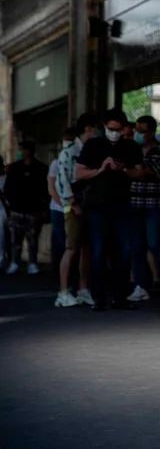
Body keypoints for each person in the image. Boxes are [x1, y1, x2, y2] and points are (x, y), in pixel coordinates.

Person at [75, 109, 143, 310]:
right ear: (104, 127)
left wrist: (123, 170)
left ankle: (120, 297)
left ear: (123, 129)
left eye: (118, 130)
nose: (114, 133)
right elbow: (78, 173)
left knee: (124, 251)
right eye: (110, 129)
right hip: (97, 206)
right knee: (98, 251)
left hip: (122, 205)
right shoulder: (93, 145)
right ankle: (99, 298)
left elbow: (140, 172)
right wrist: (100, 169)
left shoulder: (130, 146)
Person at [127, 115, 160, 302]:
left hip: (155, 204)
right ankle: (140, 285)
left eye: (143, 131)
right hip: (135, 204)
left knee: (155, 243)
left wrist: (148, 172)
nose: (139, 135)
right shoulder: (132, 150)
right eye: (137, 131)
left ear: (152, 132)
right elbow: (128, 173)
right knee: (137, 246)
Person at [54, 114, 98, 307]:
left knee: (85, 248)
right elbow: (62, 180)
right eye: (95, 128)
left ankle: (83, 289)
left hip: (88, 203)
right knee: (71, 248)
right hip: (73, 205)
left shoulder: (91, 150)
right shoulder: (69, 152)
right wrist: (73, 203)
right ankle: (63, 292)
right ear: (88, 129)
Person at [4, 140, 49, 275]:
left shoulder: (41, 168)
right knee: (15, 239)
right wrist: (11, 203)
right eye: (21, 149)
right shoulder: (14, 168)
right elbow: (8, 188)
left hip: (33, 210)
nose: (22, 152)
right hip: (17, 209)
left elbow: (44, 189)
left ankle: (32, 263)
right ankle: (15, 262)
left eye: (24, 149)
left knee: (33, 238)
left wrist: (42, 206)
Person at [48, 129, 76, 289]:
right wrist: (63, 202)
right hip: (59, 208)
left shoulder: (75, 158)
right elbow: (51, 188)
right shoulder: (56, 162)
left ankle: (71, 277)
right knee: (61, 242)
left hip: (71, 207)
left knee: (71, 243)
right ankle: (58, 277)